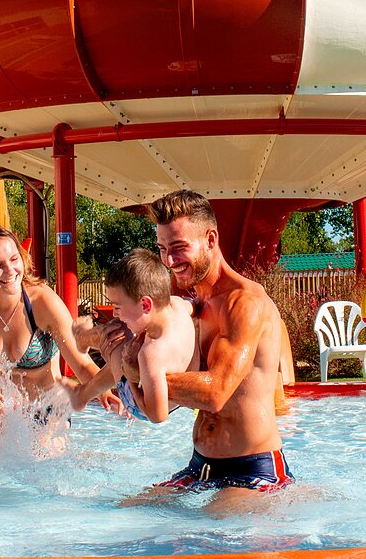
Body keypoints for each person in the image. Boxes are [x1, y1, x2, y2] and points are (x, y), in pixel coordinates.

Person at [101, 190, 293, 493]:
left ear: (210, 240)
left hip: (252, 468)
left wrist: (142, 374)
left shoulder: (244, 304)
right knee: (122, 513)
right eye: (162, 248)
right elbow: (146, 363)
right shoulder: (189, 304)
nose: (169, 260)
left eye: (178, 247)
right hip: (200, 465)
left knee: (215, 523)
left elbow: (216, 392)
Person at [0, 224, 112, 439]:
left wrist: (104, 389)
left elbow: (82, 364)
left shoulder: (42, 302)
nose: (10, 270)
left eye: (14, 259)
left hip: (47, 410)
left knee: (39, 460)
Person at [68, 248, 197, 422]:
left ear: (145, 305)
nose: (114, 313)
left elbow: (157, 416)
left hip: (140, 405)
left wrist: (131, 378)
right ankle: (83, 392)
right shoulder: (179, 305)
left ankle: (83, 338)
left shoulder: (151, 354)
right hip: (176, 401)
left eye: (117, 306)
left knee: (116, 333)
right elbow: (194, 305)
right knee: (123, 334)